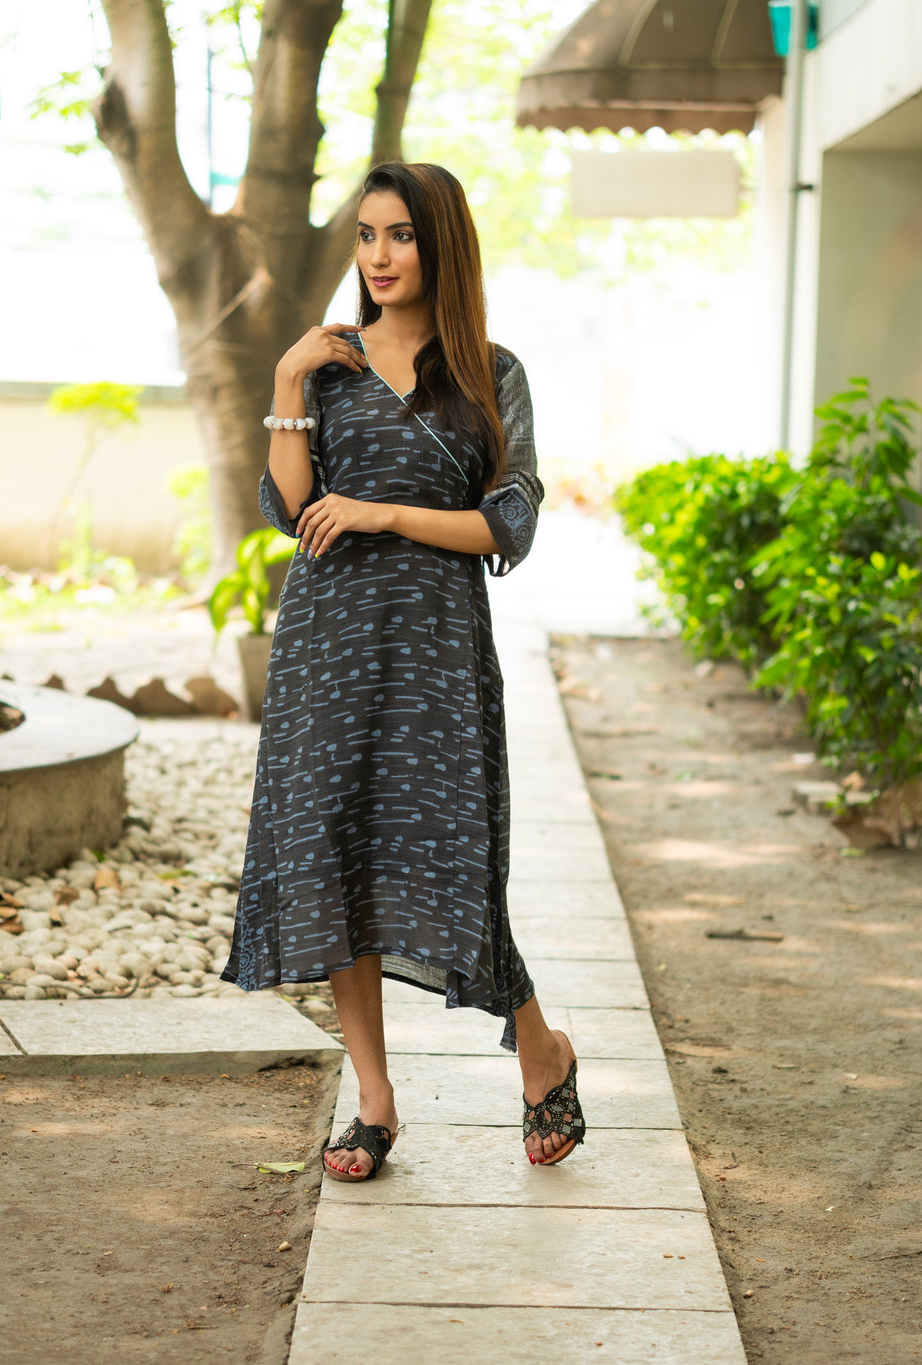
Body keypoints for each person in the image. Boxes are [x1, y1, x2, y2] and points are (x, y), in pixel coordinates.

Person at [221, 161, 584, 1181]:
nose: (378, 256)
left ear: (441, 244)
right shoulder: (327, 366)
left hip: (435, 651)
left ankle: (541, 1047)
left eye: (401, 236)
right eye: (366, 235)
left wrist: (382, 511)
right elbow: (291, 508)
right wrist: (287, 383)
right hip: (328, 646)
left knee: (453, 856)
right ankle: (374, 1101)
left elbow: (506, 522)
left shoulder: (489, 372)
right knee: (332, 853)